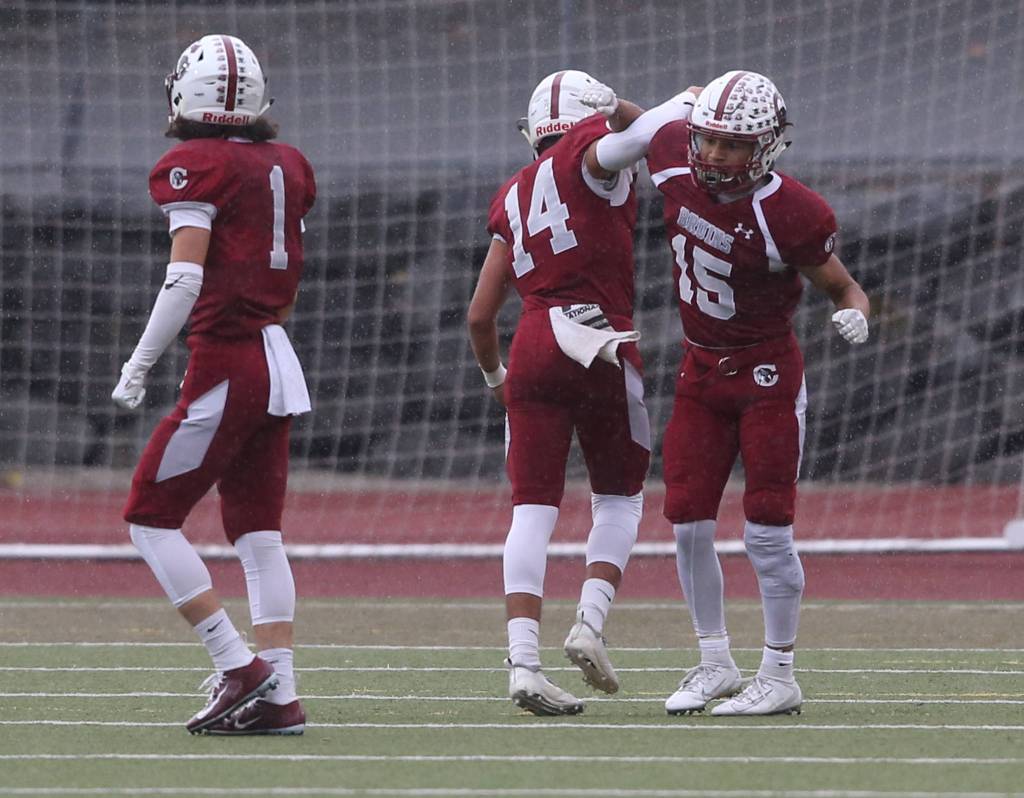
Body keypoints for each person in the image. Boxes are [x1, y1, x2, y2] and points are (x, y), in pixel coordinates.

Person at [467, 70, 698, 715]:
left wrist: (497, 382)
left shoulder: (513, 193)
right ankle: (590, 623)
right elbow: (649, 133)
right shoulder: (589, 154)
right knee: (620, 498)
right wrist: (651, 103)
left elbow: (480, 316)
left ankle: (522, 664)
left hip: (533, 344)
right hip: (599, 340)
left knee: (531, 510)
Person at [644, 70, 871, 716]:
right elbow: (635, 122)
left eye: (732, 144)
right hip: (698, 374)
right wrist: (619, 103)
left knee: (767, 532)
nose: (714, 155)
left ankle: (779, 672)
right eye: (707, 140)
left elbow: (843, 285)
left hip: (766, 376)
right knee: (686, 522)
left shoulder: (791, 211)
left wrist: (856, 310)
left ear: (766, 147)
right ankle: (714, 662)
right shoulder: (670, 161)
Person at [111, 34, 316, 735]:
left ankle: (239, 665)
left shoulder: (191, 164)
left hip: (229, 361)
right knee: (258, 535)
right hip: (277, 358)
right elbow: (283, 285)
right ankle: (280, 694)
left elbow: (185, 276)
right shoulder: (286, 163)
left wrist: (138, 363)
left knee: (149, 515)